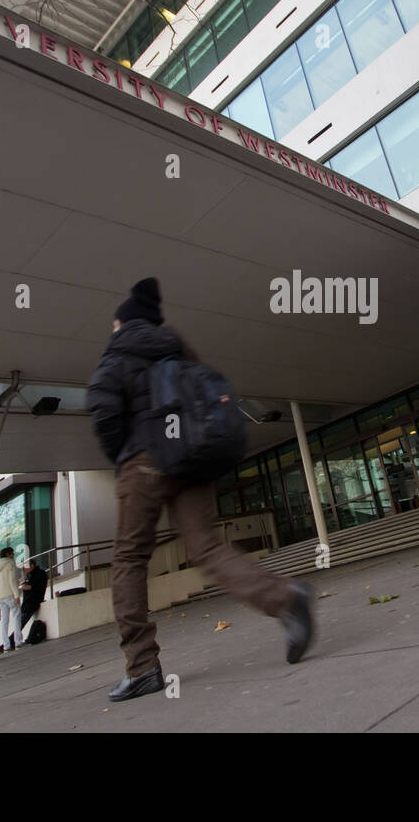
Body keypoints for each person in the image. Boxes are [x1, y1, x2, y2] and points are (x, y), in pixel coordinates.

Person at [87, 277, 314, 702]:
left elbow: (102, 410)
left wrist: (126, 454)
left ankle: (142, 667)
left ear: (123, 322)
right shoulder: (176, 348)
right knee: (206, 548)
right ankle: (285, 596)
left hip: (143, 461)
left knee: (129, 559)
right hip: (190, 458)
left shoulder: (118, 352)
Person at [0, 546, 23, 653]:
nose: (13, 555)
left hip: (1, 597)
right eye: (12, 554)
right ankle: (18, 642)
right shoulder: (10, 564)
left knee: (4, 621)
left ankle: (6, 645)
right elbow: (12, 580)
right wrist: (16, 595)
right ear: (7, 555)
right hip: (10, 595)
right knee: (17, 618)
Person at [19, 558, 48, 634]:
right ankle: (11, 640)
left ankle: (10, 641)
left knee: (20, 624)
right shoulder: (31, 575)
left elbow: (28, 587)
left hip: (32, 602)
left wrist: (23, 579)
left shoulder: (39, 573)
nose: (24, 569)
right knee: (19, 623)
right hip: (29, 602)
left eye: (26, 567)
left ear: (32, 566)